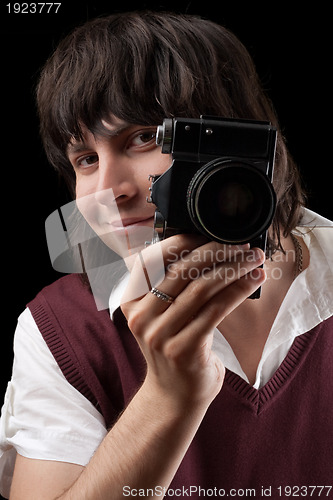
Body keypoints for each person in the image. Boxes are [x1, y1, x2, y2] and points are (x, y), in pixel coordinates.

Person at [1, 11, 333, 500]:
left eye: (142, 137)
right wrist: (166, 399)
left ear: (238, 136)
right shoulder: (59, 329)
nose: (108, 191)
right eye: (86, 160)